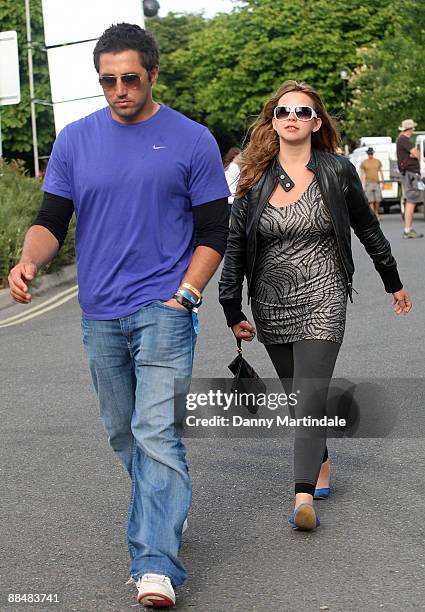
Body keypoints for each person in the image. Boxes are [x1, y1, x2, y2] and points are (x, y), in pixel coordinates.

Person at [8, 23, 230, 608]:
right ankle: (165, 507)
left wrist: (187, 293)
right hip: (99, 311)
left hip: (165, 306)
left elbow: (214, 232)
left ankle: (155, 562)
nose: (119, 90)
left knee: (155, 431)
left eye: (130, 78)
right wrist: (28, 261)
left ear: (153, 74)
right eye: (108, 81)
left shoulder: (191, 139)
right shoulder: (76, 140)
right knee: (122, 430)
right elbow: (52, 219)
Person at [219, 80, 412, 531]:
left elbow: (367, 229)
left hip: (324, 294)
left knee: (308, 395)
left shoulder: (336, 170)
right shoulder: (252, 175)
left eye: (302, 112)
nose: (292, 117)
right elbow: (234, 245)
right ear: (273, 120)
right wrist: (231, 307)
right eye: (283, 111)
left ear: (316, 122)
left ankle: (301, 495)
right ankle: (320, 458)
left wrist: (393, 281)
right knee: (298, 398)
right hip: (271, 300)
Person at [396, 119, 424, 239]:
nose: (414, 131)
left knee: (412, 199)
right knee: (411, 200)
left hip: (410, 174)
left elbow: (414, 154)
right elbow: (416, 154)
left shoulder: (401, 140)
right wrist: (415, 154)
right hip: (410, 174)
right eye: (413, 128)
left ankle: (409, 228)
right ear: (409, 129)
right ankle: (407, 230)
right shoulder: (404, 139)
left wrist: (413, 154)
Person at [360, 147, 384, 220]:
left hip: (376, 182)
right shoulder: (364, 162)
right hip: (368, 183)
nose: (370, 154)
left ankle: (376, 212)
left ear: (373, 153)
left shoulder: (377, 161)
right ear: (367, 154)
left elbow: (380, 171)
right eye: (369, 153)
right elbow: (362, 173)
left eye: (371, 153)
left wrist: (383, 180)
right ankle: (373, 214)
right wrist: (361, 183)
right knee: (370, 200)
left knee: (378, 199)